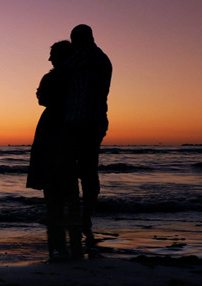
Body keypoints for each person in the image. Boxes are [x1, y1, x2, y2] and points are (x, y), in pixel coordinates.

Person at [27, 40, 80, 260]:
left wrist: (40, 92)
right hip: (69, 123)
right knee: (67, 170)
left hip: (52, 124)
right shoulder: (77, 78)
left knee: (49, 168)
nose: (49, 59)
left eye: (52, 55)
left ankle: (54, 213)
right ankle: (70, 214)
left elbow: (42, 100)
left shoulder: (53, 78)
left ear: (59, 57)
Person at [64, 24, 112, 255]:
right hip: (94, 119)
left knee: (75, 169)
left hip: (81, 121)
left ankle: (78, 216)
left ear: (77, 39)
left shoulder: (84, 54)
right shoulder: (101, 57)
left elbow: (61, 70)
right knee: (88, 170)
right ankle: (85, 215)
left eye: (73, 40)